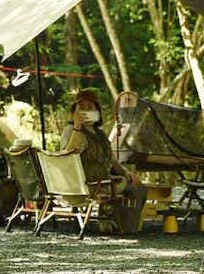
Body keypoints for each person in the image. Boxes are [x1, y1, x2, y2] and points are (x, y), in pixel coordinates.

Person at [60, 89, 146, 234]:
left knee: (137, 185)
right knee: (136, 190)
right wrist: (77, 128)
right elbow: (67, 156)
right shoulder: (71, 131)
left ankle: (113, 222)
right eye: (82, 107)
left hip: (104, 180)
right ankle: (125, 229)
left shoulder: (99, 134)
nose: (86, 111)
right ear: (74, 112)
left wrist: (126, 173)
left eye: (90, 107)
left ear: (97, 111)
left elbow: (111, 160)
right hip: (88, 183)